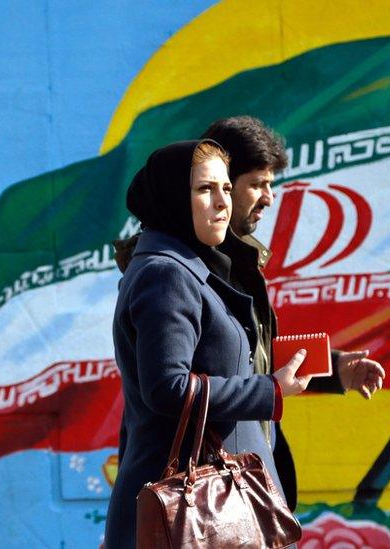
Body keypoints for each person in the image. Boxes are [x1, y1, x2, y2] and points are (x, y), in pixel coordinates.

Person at [105, 139, 311, 548]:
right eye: (204, 189)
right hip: (195, 512)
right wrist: (267, 390)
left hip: (213, 511)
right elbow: (168, 387)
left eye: (226, 189)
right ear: (171, 197)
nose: (222, 203)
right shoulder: (166, 274)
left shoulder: (190, 267)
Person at [201, 116, 386, 510]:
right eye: (257, 184)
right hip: (207, 495)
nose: (269, 197)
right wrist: (270, 390)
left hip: (243, 484)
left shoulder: (240, 260)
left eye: (271, 184)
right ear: (223, 185)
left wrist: (334, 370)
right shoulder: (181, 269)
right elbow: (175, 387)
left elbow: (245, 360)